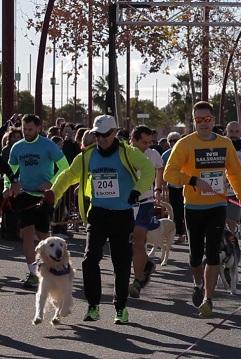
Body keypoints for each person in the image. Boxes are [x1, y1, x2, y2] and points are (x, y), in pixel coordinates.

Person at [47, 114, 154, 324]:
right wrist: (53, 194)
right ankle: (93, 306)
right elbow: (68, 175)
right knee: (89, 260)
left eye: (106, 134)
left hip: (122, 215)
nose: (102, 139)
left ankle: (121, 308)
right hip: (98, 213)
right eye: (98, 135)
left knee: (120, 262)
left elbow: (148, 170)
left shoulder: (127, 152)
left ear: (115, 133)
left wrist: (137, 190)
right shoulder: (88, 156)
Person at [164, 101, 241, 318]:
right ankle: (197, 283)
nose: (203, 124)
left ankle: (208, 299)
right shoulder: (184, 144)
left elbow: (235, 173)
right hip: (193, 206)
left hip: (217, 205)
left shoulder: (224, 144)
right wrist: (192, 179)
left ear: (213, 120)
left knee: (213, 253)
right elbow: (169, 174)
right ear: (194, 122)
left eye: (207, 119)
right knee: (195, 256)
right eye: (199, 120)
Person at [4, 114, 69, 288]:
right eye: (24, 129)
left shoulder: (48, 145)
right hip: (25, 195)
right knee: (26, 234)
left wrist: (51, 182)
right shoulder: (17, 147)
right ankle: (33, 273)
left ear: (39, 128)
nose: (26, 132)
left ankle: (55, 267)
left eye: (30, 129)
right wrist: (9, 186)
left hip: (43, 196)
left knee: (43, 236)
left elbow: (65, 167)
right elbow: (10, 171)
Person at [128, 125, 166, 299]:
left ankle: (137, 281)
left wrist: (158, 189)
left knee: (138, 240)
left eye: (149, 142)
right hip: (126, 203)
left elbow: (159, 168)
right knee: (126, 242)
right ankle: (146, 266)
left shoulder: (153, 154)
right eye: (143, 142)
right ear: (133, 139)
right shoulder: (125, 153)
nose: (147, 146)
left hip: (146, 201)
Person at [161, 132, 186, 244]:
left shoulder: (185, 151)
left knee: (187, 209)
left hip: (186, 185)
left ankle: (188, 232)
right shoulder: (165, 155)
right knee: (176, 210)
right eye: (170, 140)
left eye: (175, 140)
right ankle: (180, 234)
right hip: (172, 186)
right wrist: (163, 186)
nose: (173, 143)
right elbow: (161, 172)